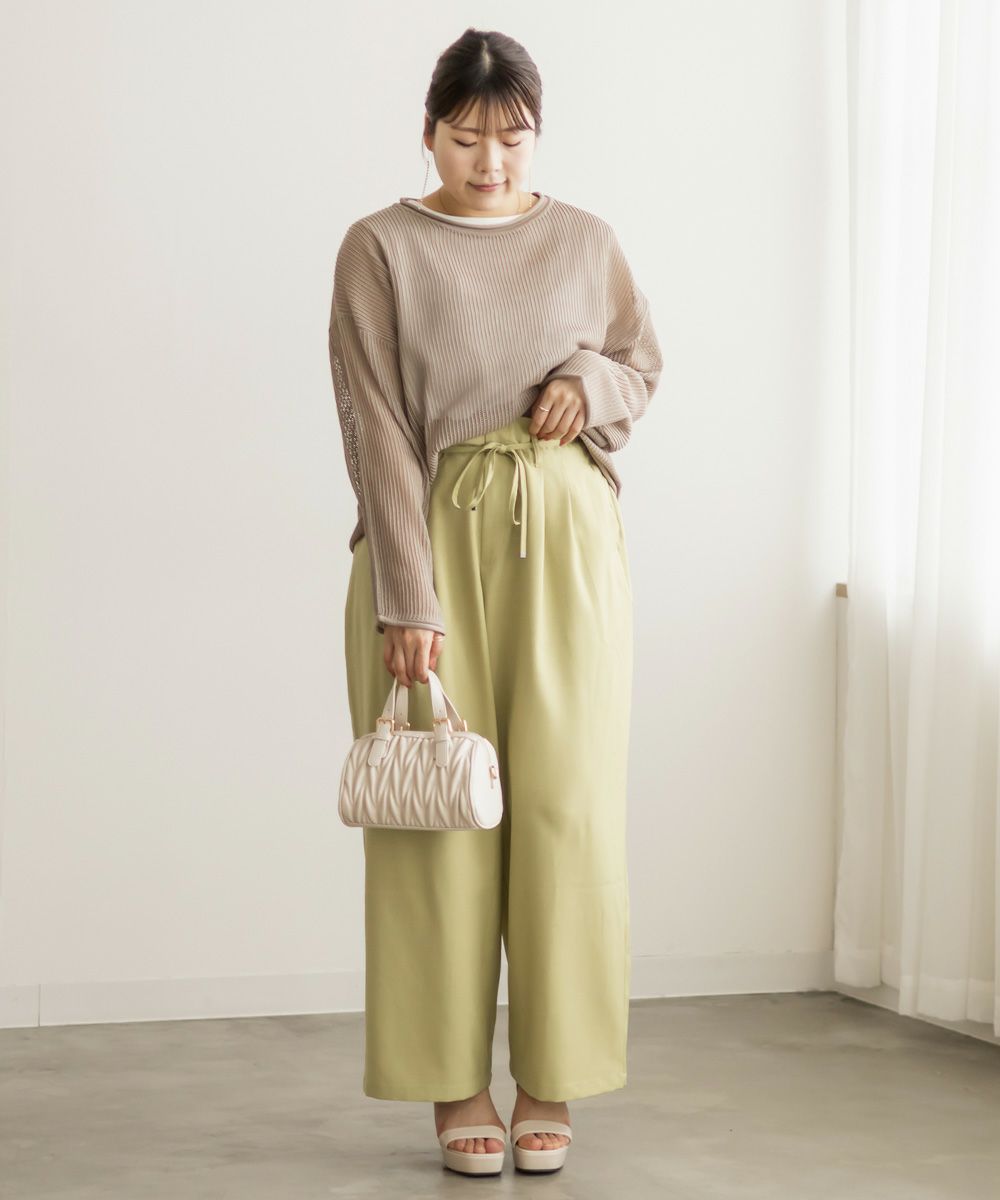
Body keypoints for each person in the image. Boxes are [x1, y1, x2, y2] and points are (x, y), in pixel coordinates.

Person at [328, 26, 662, 1177]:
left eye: (512, 139)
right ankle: (454, 1083)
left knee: (568, 807)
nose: (491, 162)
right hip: (431, 539)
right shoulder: (380, 247)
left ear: (536, 136)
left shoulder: (585, 240)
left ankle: (552, 1078)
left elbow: (640, 366)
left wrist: (584, 383)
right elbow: (375, 425)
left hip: (566, 539)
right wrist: (404, 598)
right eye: (468, 138)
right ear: (429, 133)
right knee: (438, 824)